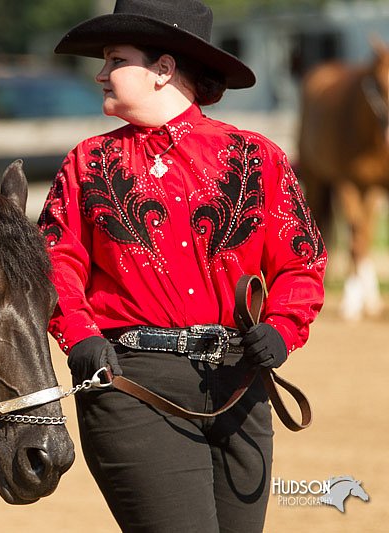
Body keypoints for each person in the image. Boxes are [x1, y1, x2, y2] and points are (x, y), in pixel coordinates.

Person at [37, 1, 327, 531]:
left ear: (163, 70)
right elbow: (54, 264)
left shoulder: (257, 158)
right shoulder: (88, 162)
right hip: (131, 383)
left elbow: (301, 262)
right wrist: (78, 335)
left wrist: (283, 328)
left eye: (114, 59)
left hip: (239, 383)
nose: (100, 73)